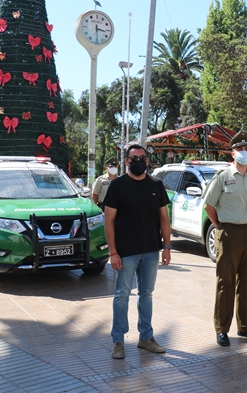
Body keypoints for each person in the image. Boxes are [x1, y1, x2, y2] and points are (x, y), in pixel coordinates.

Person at [104, 145, 171, 360]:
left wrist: (167, 246)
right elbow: (109, 221)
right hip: (126, 252)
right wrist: (113, 252)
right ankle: (118, 341)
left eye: (142, 157)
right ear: (126, 161)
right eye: (134, 158)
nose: (139, 161)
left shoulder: (156, 185)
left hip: (151, 250)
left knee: (146, 294)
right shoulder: (117, 186)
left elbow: (164, 218)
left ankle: (146, 338)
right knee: (122, 295)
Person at [204, 131, 247, 347]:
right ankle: (222, 329)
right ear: (232, 153)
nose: (244, 152)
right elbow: (209, 206)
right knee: (226, 281)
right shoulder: (223, 176)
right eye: (240, 149)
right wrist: (220, 225)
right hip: (229, 233)